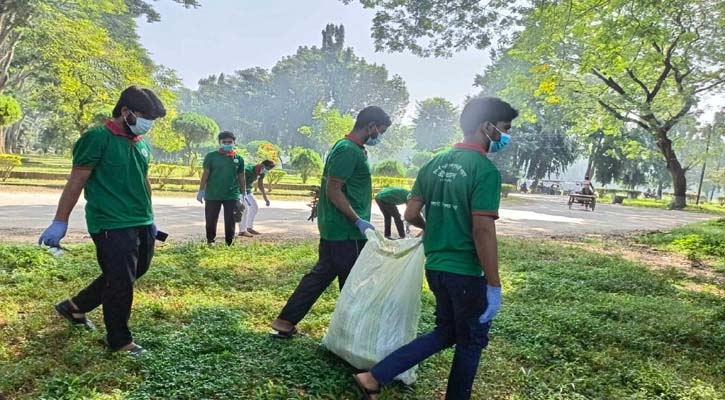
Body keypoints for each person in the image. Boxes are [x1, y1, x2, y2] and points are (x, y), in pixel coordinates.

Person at [353, 97, 518, 399]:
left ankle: (375, 376)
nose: (506, 136)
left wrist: (436, 229)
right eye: (505, 129)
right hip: (466, 273)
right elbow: (483, 230)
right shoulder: (485, 171)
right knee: (471, 341)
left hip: (436, 268)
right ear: (487, 126)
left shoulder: (433, 164)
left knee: (447, 332)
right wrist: (494, 284)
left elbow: (411, 214)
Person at [38, 86, 166, 355]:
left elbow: (144, 180)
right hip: (111, 223)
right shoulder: (97, 138)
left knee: (135, 270)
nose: (148, 125)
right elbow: (76, 181)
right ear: (125, 111)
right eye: (145, 117)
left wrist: (150, 217)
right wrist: (60, 221)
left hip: (140, 220)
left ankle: (74, 307)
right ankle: (119, 340)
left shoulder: (139, 142)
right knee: (120, 281)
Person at [270, 106, 391, 338]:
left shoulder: (351, 148)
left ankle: (285, 321)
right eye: (381, 131)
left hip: (339, 228)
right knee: (354, 283)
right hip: (346, 230)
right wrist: (357, 221)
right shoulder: (347, 150)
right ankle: (352, 336)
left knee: (322, 274)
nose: (380, 137)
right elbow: (333, 190)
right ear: (371, 126)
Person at [197, 131, 246, 246]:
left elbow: (241, 176)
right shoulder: (211, 156)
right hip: (213, 194)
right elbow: (205, 174)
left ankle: (229, 242)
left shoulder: (239, 159)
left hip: (231, 194)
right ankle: (210, 241)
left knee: (230, 220)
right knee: (211, 219)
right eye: (224, 142)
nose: (227, 144)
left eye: (230, 142)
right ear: (219, 142)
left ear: (234, 143)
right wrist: (201, 190)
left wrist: (244, 192)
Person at [238, 159, 276, 237]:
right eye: (267, 169)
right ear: (262, 165)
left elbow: (260, 184)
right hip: (239, 190)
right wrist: (243, 192)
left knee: (254, 207)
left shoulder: (261, 172)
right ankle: (242, 231)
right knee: (244, 209)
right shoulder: (247, 169)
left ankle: (249, 228)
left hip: (247, 191)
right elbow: (240, 180)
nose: (267, 171)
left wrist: (265, 197)